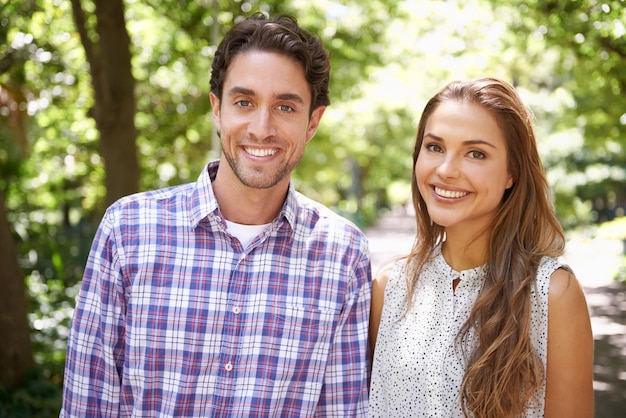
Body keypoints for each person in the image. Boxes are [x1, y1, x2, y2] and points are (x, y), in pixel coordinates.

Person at [61, 13, 371, 417]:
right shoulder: (128, 231)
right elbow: (88, 404)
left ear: (313, 121)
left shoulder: (343, 255)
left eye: (285, 107)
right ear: (217, 109)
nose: (262, 127)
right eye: (244, 102)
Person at [369, 77, 593, 418]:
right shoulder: (391, 285)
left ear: (511, 173)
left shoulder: (553, 294)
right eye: (434, 147)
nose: (446, 170)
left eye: (475, 153)